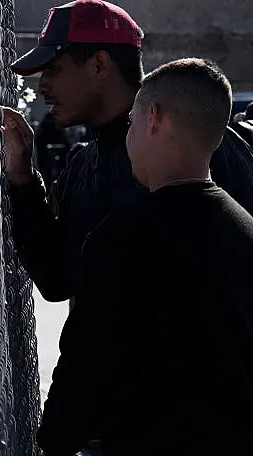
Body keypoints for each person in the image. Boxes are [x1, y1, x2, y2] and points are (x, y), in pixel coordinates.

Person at [38, 58, 253, 456]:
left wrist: (54, 440)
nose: (129, 136)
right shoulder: (245, 230)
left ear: (153, 117)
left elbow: (82, 375)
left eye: (132, 123)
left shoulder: (120, 241)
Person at [2, 0, 253, 305]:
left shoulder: (203, 145)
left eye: (54, 70)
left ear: (99, 65)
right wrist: (24, 179)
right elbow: (56, 281)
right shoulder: (83, 165)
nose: (42, 86)